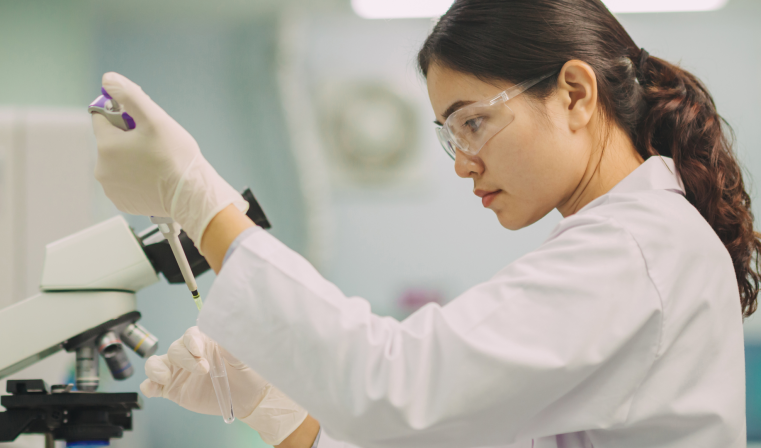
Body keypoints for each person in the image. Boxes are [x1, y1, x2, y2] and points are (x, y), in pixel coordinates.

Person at [91, 0, 759, 447]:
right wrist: (275, 410)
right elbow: (432, 431)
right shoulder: (625, 241)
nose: (463, 163)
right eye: (449, 134)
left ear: (575, 95)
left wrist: (196, 198)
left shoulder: (635, 246)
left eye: (474, 121)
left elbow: (394, 386)